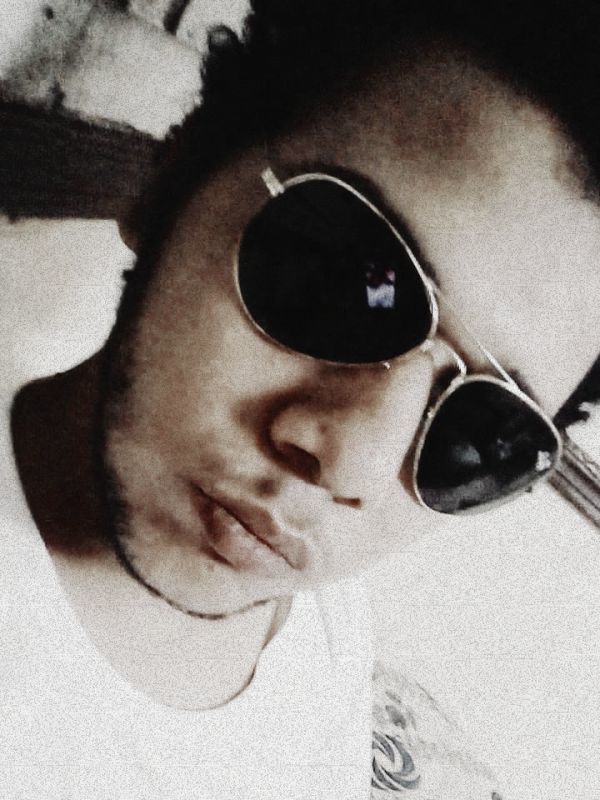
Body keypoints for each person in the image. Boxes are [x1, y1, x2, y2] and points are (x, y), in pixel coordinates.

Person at [2, 0, 600, 797]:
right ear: (174, 178)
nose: (351, 464)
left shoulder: (325, 632)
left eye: (486, 434)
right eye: (340, 284)